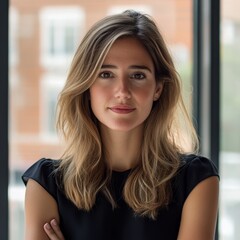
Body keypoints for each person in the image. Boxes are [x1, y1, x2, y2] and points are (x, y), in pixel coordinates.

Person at [22, 10, 219, 240]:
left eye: (138, 75)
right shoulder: (46, 185)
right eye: (106, 74)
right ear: (87, 87)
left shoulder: (196, 181)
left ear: (158, 88)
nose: (123, 92)